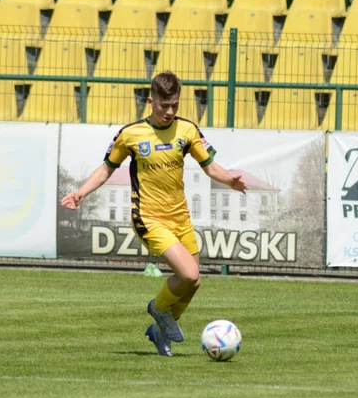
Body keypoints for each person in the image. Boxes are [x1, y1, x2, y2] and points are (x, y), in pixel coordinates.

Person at [61, 71, 247, 356]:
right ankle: (157, 308)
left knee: (193, 283)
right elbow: (106, 168)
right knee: (188, 273)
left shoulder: (187, 130)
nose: (170, 112)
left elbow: (210, 166)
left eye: (175, 105)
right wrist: (81, 192)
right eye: (164, 106)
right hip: (148, 217)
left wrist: (230, 181)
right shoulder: (131, 134)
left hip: (180, 217)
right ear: (151, 102)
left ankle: (160, 333)